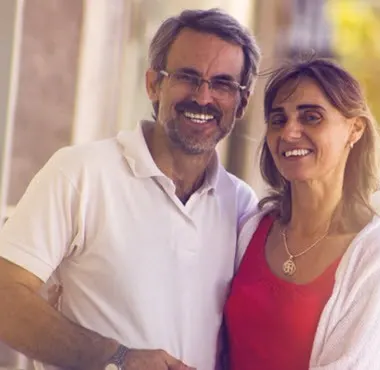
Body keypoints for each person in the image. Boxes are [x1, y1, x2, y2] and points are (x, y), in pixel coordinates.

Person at [0, 8, 260, 370]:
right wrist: (117, 358)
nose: (203, 97)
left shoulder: (242, 206)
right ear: (154, 83)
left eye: (222, 84)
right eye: (187, 77)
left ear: (242, 101)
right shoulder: (81, 173)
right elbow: (5, 298)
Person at [224, 58, 380, 369]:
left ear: (354, 129)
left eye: (311, 117)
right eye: (278, 119)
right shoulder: (250, 228)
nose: (289, 133)